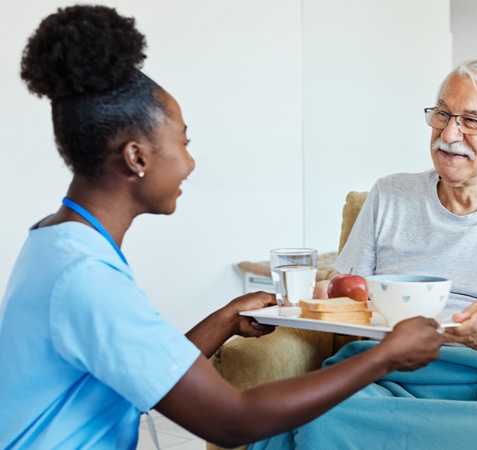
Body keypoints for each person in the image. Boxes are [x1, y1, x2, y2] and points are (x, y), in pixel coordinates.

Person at [0, 5, 445, 449]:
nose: (190, 163)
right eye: (183, 142)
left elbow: (157, 368)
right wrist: (386, 356)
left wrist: (227, 318)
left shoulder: (58, 242)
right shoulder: (87, 278)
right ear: (137, 157)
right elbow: (232, 421)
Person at [255, 58, 477, 449]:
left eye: (472, 121)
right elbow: (348, 292)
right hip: (388, 371)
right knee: (321, 417)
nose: (448, 133)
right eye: (442, 114)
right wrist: (311, 295)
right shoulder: (390, 195)